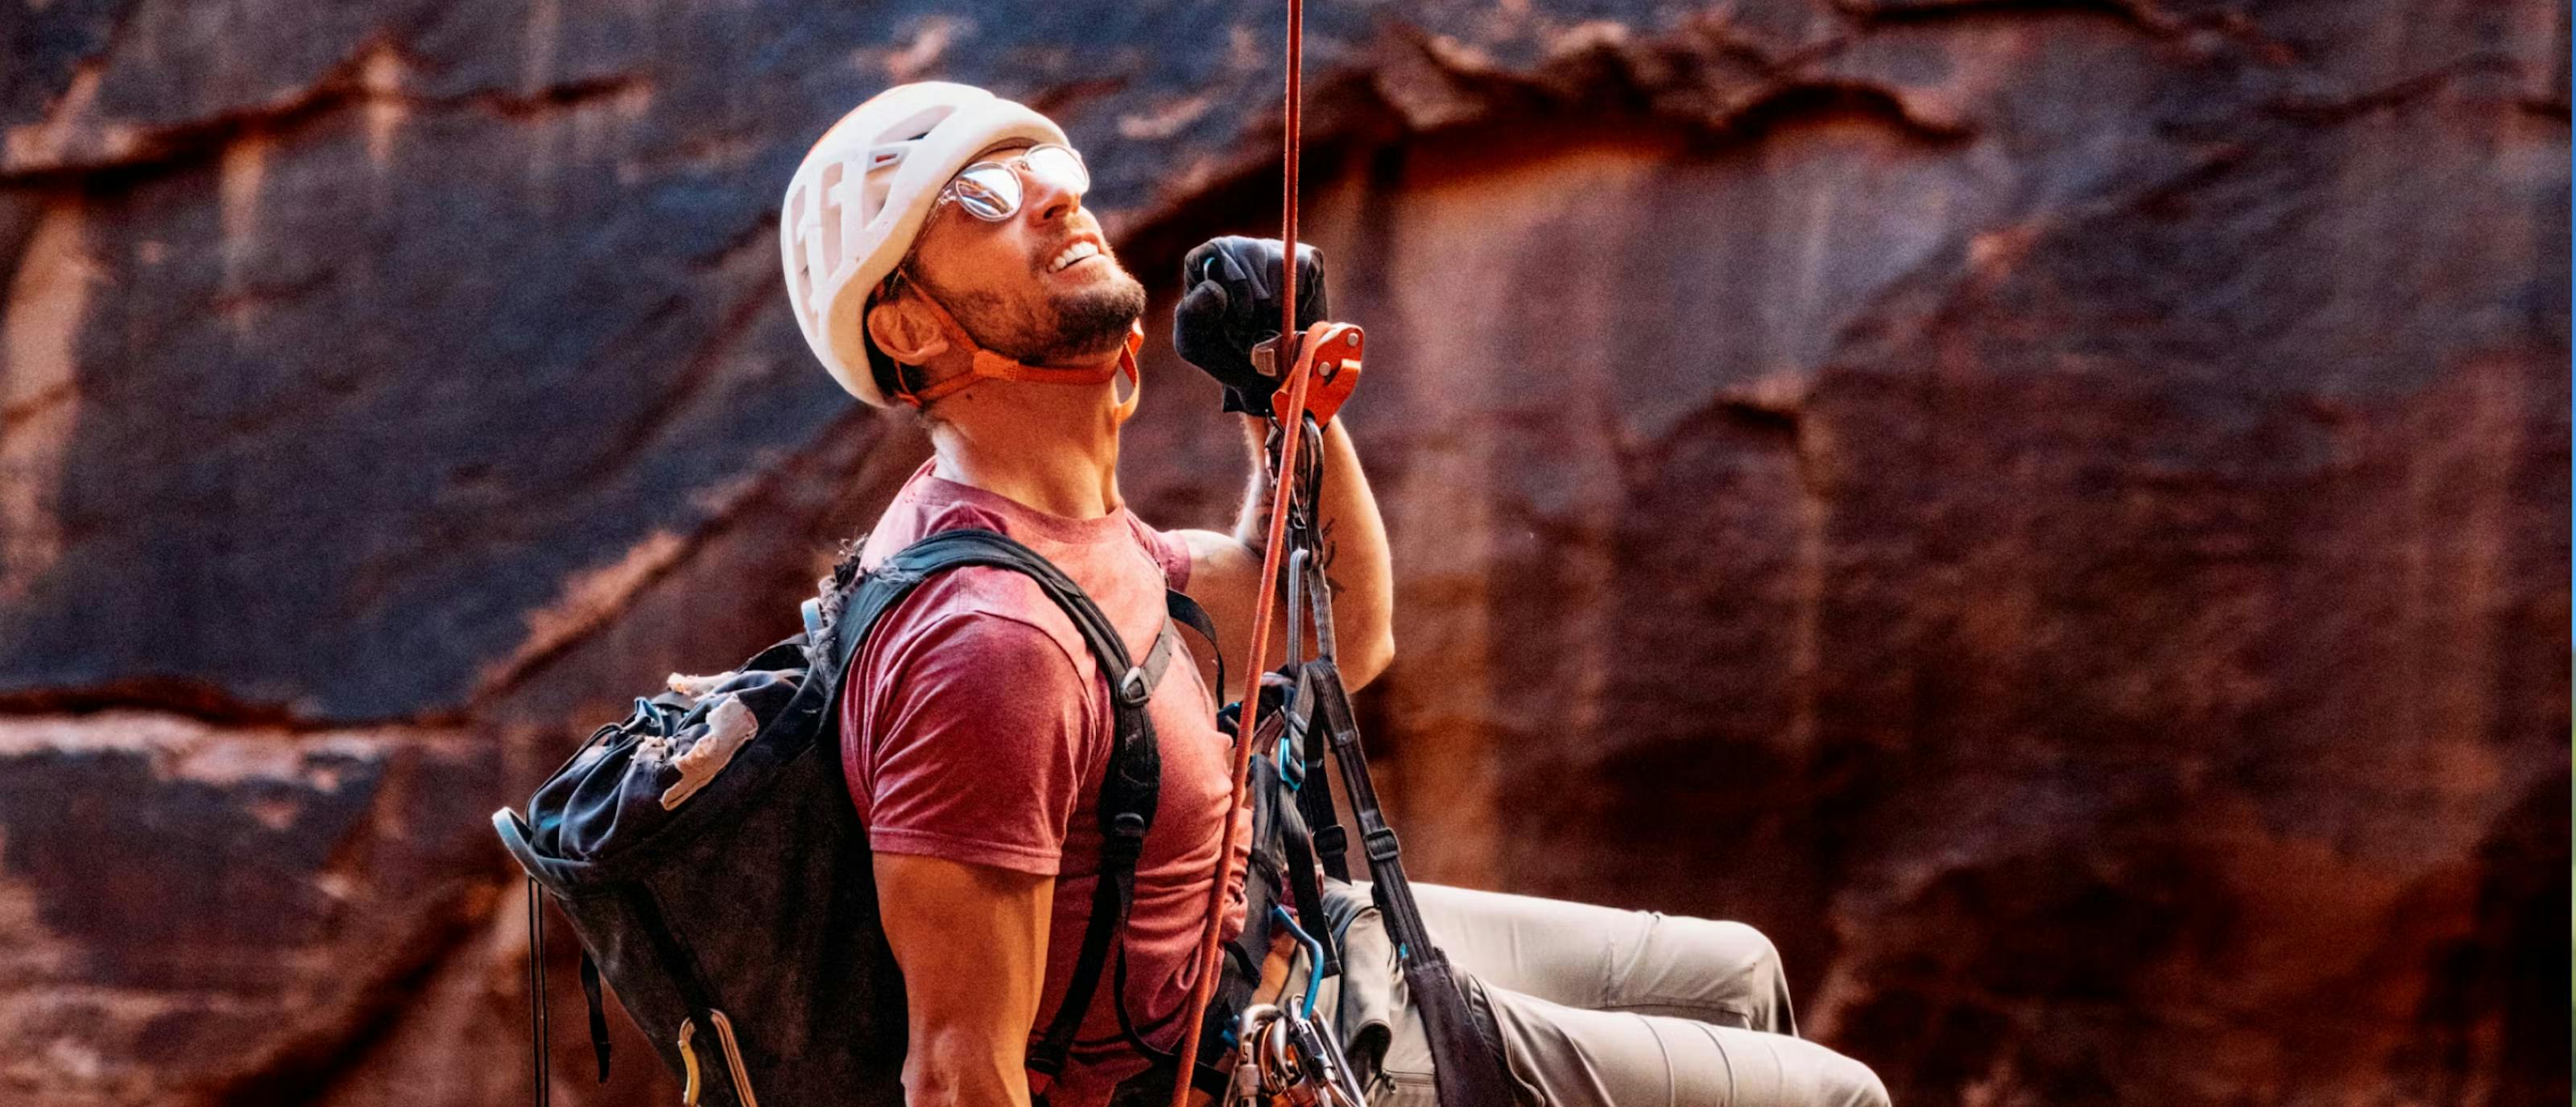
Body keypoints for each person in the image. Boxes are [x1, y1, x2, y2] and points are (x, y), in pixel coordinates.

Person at [777, 81, 1891, 1107]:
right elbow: (959, 1068)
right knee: (1838, 1098)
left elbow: (1343, 633)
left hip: (1298, 937)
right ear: (912, 328)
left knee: (1739, 976)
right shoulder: (989, 644)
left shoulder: (1067, 540)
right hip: (1254, 1064)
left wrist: (1282, 396)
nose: (1059, 204)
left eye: (1054, 175)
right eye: (984, 197)